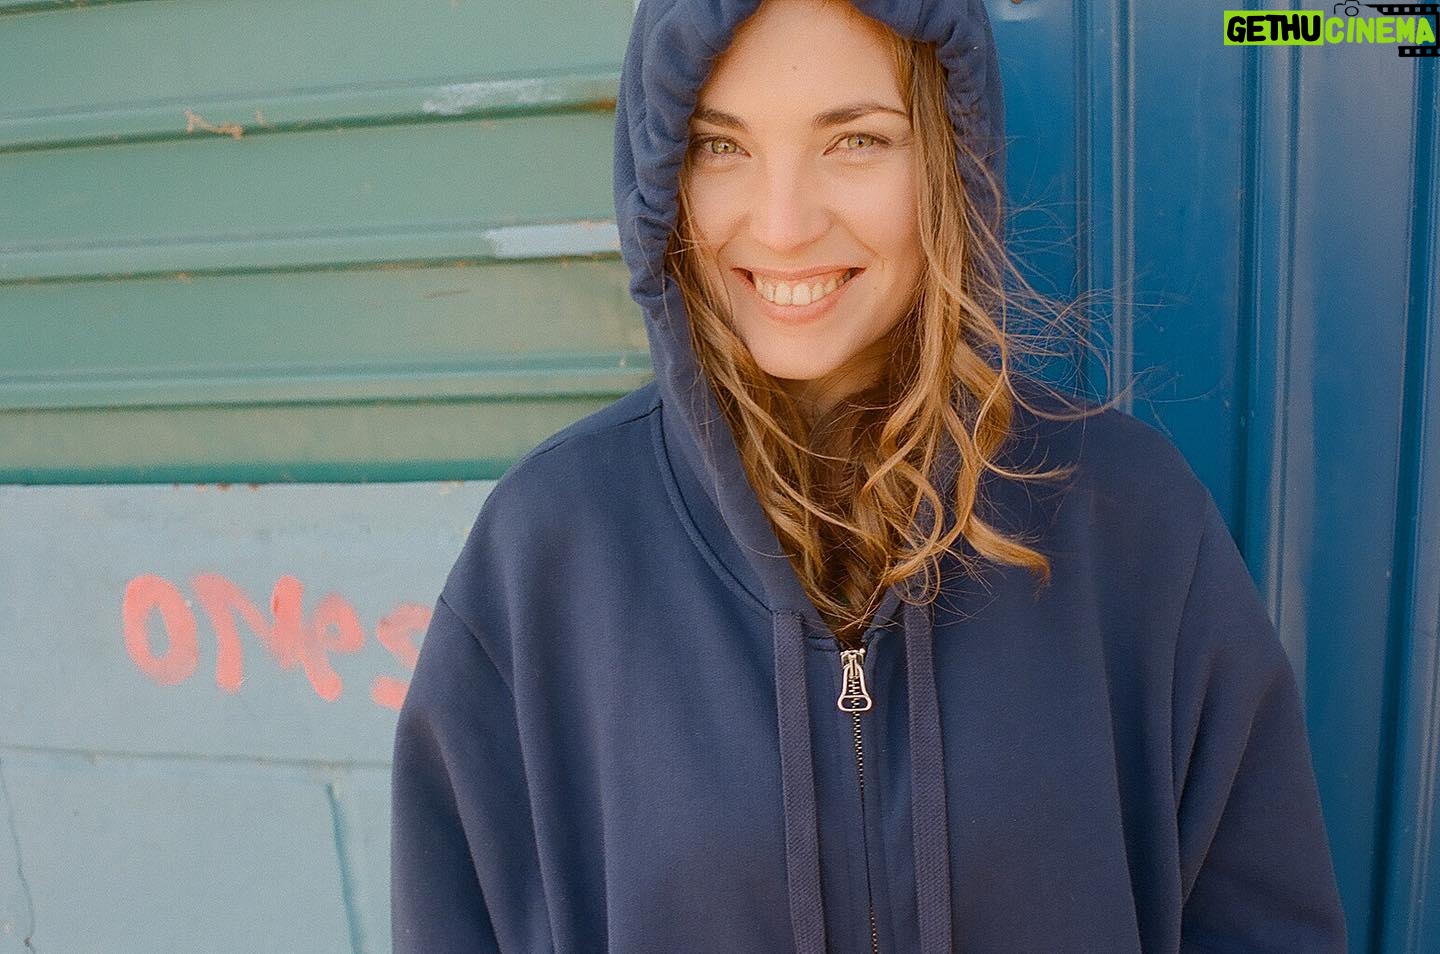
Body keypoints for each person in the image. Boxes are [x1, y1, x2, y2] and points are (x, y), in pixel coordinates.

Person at [390, 0, 1348, 951]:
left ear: (947, 154)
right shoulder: (548, 549)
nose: (784, 225)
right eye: (722, 147)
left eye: (855, 140)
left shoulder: (1127, 516)